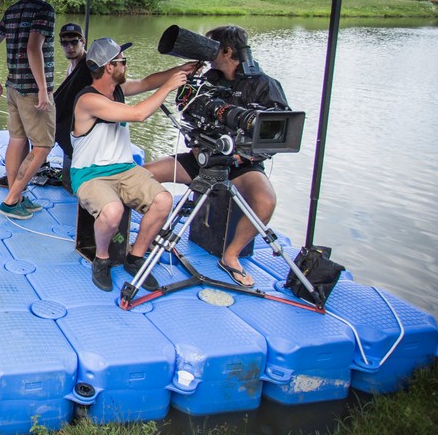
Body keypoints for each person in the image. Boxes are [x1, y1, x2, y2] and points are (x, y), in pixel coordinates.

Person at [144, 25, 289, 289]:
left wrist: (242, 156)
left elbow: (279, 133)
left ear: (227, 51)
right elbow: (188, 113)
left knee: (265, 201)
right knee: (142, 176)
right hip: (202, 157)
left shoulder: (266, 85)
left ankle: (231, 255)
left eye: (211, 46)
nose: (206, 51)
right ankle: (151, 237)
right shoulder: (208, 78)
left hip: (241, 165)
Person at [70, 38, 192, 292]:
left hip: (125, 169)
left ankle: (135, 257)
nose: (126, 65)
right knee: (112, 211)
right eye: (122, 62)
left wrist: (181, 70)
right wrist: (169, 86)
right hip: (90, 174)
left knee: (163, 201)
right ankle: (101, 259)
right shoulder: (88, 100)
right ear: (110, 67)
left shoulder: (118, 90)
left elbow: (148, 82)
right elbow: (139, 114)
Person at [0, 0, 57, 219]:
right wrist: (43, 89)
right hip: (32, 91)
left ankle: (16, 194)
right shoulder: (45, 10)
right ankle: (12, 199)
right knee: (43, 145)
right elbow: (33, 48)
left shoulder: (13, 9)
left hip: (13, 86)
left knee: (17, 139)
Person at [0, 21, 88, 189]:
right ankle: (17, 178)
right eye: (65, 43)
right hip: (67, 118)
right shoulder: (71, 67)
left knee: (42, 142)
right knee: (26, 130)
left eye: (74, 42)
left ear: (83, 42)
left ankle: (17, 185)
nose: (70, 47)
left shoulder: (88, 67)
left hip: (79, 124)